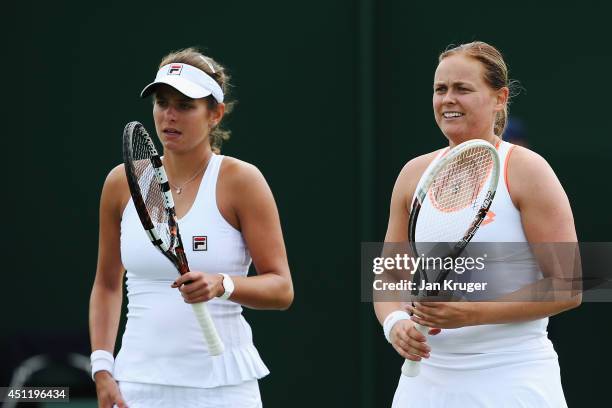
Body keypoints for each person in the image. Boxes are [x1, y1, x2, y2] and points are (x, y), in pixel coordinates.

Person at [374, 41, 580, 407]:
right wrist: (395, 325)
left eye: (462, 89)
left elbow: (569, 286)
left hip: (513, 378)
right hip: (425, 384)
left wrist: (470, 313)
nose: (447, 99)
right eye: (440, 89)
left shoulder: (529, 170)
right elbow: (389, 275)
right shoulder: (412, 175)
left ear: (499, 98)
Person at [89, 47, 293, 408]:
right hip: (136, 386)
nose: (169, 115)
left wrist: (222, 284)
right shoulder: (121, 183)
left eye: (185, 105)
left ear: (215, 114)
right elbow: (106, 284)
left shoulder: (242, 181)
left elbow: (281, 289)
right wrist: (103, 369)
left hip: (224, 389)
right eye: (162, 102)